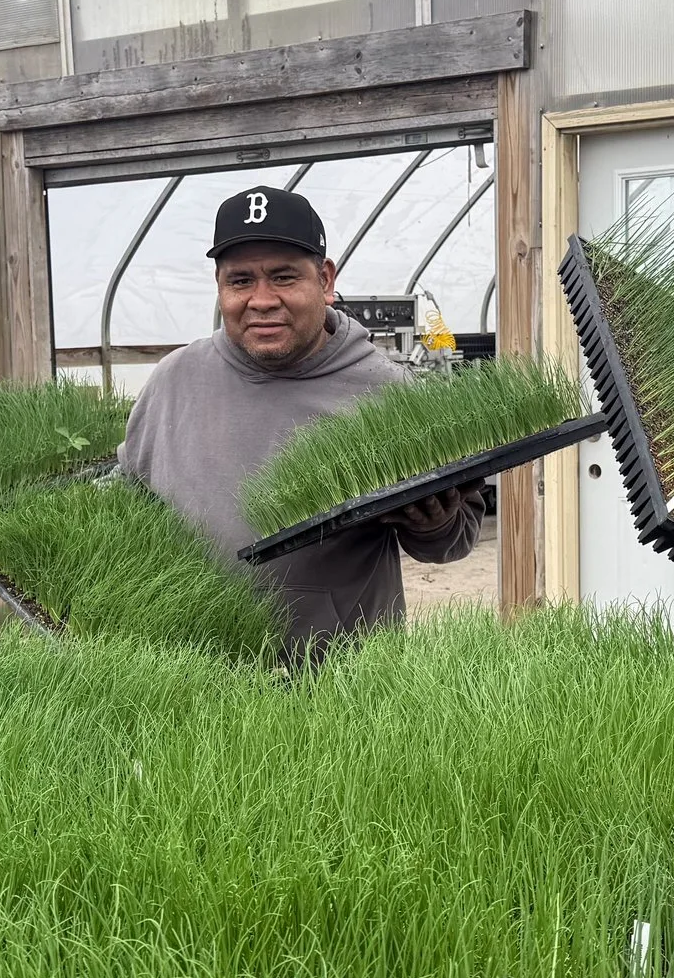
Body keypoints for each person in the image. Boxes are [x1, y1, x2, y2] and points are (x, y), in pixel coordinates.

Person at [120, 185, 482, 645]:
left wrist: (435, 524)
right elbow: (129, 507)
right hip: (197, 672)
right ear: (219, 288)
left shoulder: (387, 392)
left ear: (325, 281)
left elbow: (453, 540)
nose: (262, 299)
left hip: (342, 680)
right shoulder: (172, 382)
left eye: (284, 277)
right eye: (241, 280)